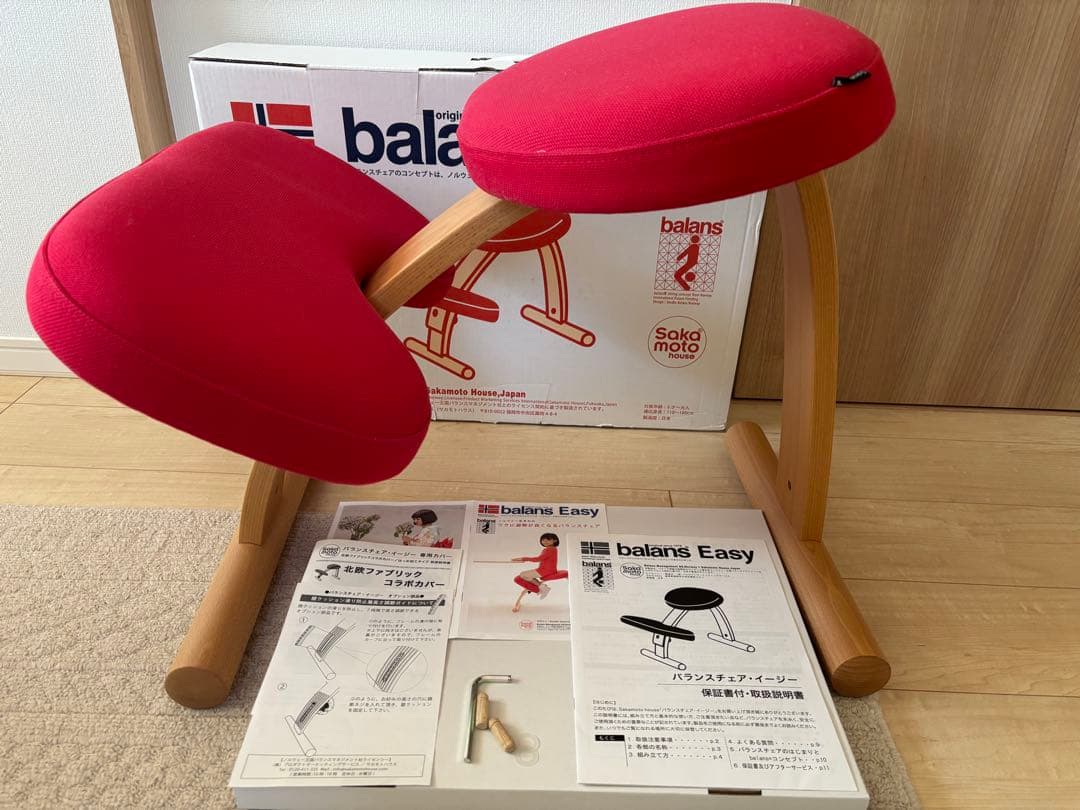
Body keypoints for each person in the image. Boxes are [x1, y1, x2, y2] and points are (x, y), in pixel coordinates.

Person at [511, 532, 562, 612]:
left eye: (548, 540)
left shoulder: (550, 549)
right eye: (543, 540)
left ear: (555, 540)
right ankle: (542, 587)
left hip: (546, 570)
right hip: (545, 569)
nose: (545, 541)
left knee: (523, 575)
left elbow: (538, 559)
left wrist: (523, 558)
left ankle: (543, 587)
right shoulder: (551, 549)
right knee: (525, 575)